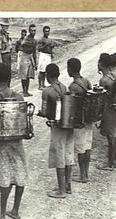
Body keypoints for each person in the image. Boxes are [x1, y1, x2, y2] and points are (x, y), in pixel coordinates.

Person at [0, 63, 28, 219]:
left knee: (5, 175)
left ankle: (1, 215)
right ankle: (15, 210)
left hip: (1, 143)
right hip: (17, 141)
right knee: (19, 172)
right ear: (9, 77)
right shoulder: (19, 97)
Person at [38, 63, 74, 198]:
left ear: (47, 76)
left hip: (57, 126)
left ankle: (61, 190)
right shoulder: (64, 87)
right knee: (68, 153)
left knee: (59, 155)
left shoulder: (47, 91)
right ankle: (67, 184)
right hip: (68, 125)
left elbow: (44, 111)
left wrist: (41, 114)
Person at [67, 58, 92, 183]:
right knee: (87, 147)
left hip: (79, 122)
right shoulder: (86, 81)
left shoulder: (73, 86)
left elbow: (71, 106)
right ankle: (85, 173)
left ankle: (83, 176)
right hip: (88, 120)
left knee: (80, 149)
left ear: (71, 69)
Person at [97, 53, 116, 171]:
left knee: (110, 137)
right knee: (115, 134)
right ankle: (115, 160)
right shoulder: (115, 75)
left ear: (102, 64)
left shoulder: (104, 80)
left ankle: (110, 163)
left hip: (109, 109)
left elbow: (101, 100)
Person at [18, 24, 37, 97]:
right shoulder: (26, 38)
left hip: (30, 57)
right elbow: (21, 45)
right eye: (32, 31)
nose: (33, 32)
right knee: (24, 75)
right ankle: (24, 91)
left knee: (28, 75)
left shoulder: (34, 40)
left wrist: (35, 62)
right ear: (29, 31)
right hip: (24, 56)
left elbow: (34, 51)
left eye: (34, 31)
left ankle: (27, 91)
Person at [0, 18, 12, 87]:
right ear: (1, 26)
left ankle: (8, 89)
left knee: (8, 75)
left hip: (8, 57)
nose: (6, 27)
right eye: (4, 26)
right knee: (2, 76)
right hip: (3, 57)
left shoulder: (6, 35)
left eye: (7, 26)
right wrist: (0, 62)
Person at [37, 26, 55, 90]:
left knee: (47, 70)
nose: (47, 32)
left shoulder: (49, 40)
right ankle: (40, 85)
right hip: (43, 55)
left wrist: (51, 52)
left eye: (48, 31)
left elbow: (50, 48)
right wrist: (45, 45)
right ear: (43, 32)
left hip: (48, 56)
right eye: (46, 31)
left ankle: (44, 84)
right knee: (42, 71)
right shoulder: (41, 39)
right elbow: (39, 49)